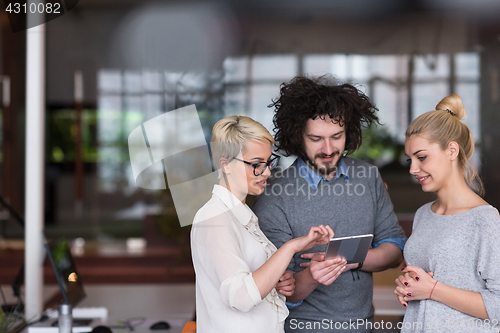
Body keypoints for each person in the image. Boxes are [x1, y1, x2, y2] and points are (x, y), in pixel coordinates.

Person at [252, 76, 406, 332]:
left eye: (337, 136)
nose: (327, 149)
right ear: (297, 136)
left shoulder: (368, 177)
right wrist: (315, 273)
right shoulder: (274, 195)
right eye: (315, 139)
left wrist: (345, 258)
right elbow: (278, 292)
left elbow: (395, 248)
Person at [190, 115, 335, 333]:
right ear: (226, 165)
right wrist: (291, 247)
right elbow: (240, 297)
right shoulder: (214, 218)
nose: (267, 172)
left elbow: (252, 284)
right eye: (257, 164)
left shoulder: (242, 215)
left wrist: (276, 282)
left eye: (269, 162)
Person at [394, 94, 500, 332]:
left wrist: (432, 290)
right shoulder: (423, 214)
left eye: (421, 157)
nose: (413, 168)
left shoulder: (485, 219)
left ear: (452, 150)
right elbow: (424, 282)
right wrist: (408, 285)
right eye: (410, 159)